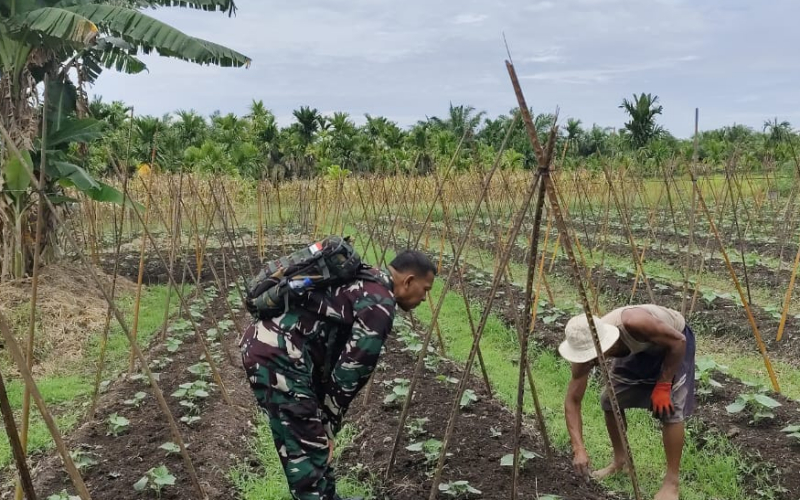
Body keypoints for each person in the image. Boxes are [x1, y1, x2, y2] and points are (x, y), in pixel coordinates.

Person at [240, 249, 436, 500]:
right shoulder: (380, 303)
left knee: (305, 436)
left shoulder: (369, 280)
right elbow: (350, 372)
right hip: (280, 357)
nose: (423, 298)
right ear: (408, 281)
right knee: (306, 445)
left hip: (275, 350)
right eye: (425, 290)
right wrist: (328, 424)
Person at [558, 304, 695, 500]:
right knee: (609, 400)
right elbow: (572, 401)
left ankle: (671, 483)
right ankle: (620, 461)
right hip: (638, 349)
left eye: (592, 356)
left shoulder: (634, 322)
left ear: (604, 344)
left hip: (672, 344)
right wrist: (578, 448)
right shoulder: (583, 353)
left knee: (670, 409)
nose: (590, 362)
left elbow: (678, 342)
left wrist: (664, 385)